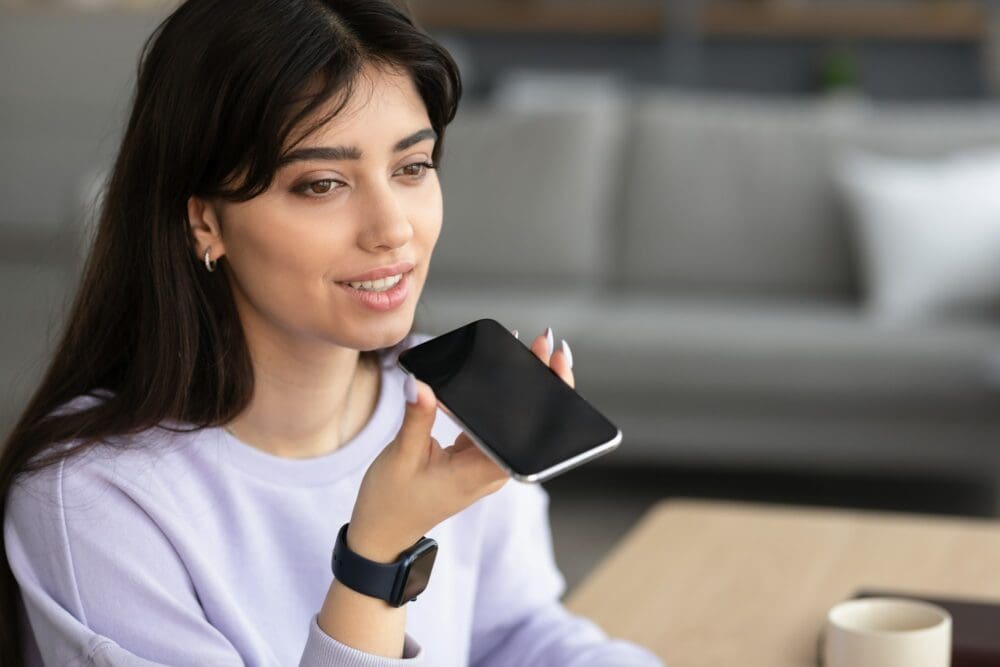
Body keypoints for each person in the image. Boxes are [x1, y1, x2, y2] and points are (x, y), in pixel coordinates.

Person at [0, 1, 663, 665]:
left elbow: (517, 636)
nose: (392, 228)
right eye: (322, 183)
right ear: (204, 221)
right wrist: (377, 556)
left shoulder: (446, 406)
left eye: (412, 167)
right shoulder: (94, 501)